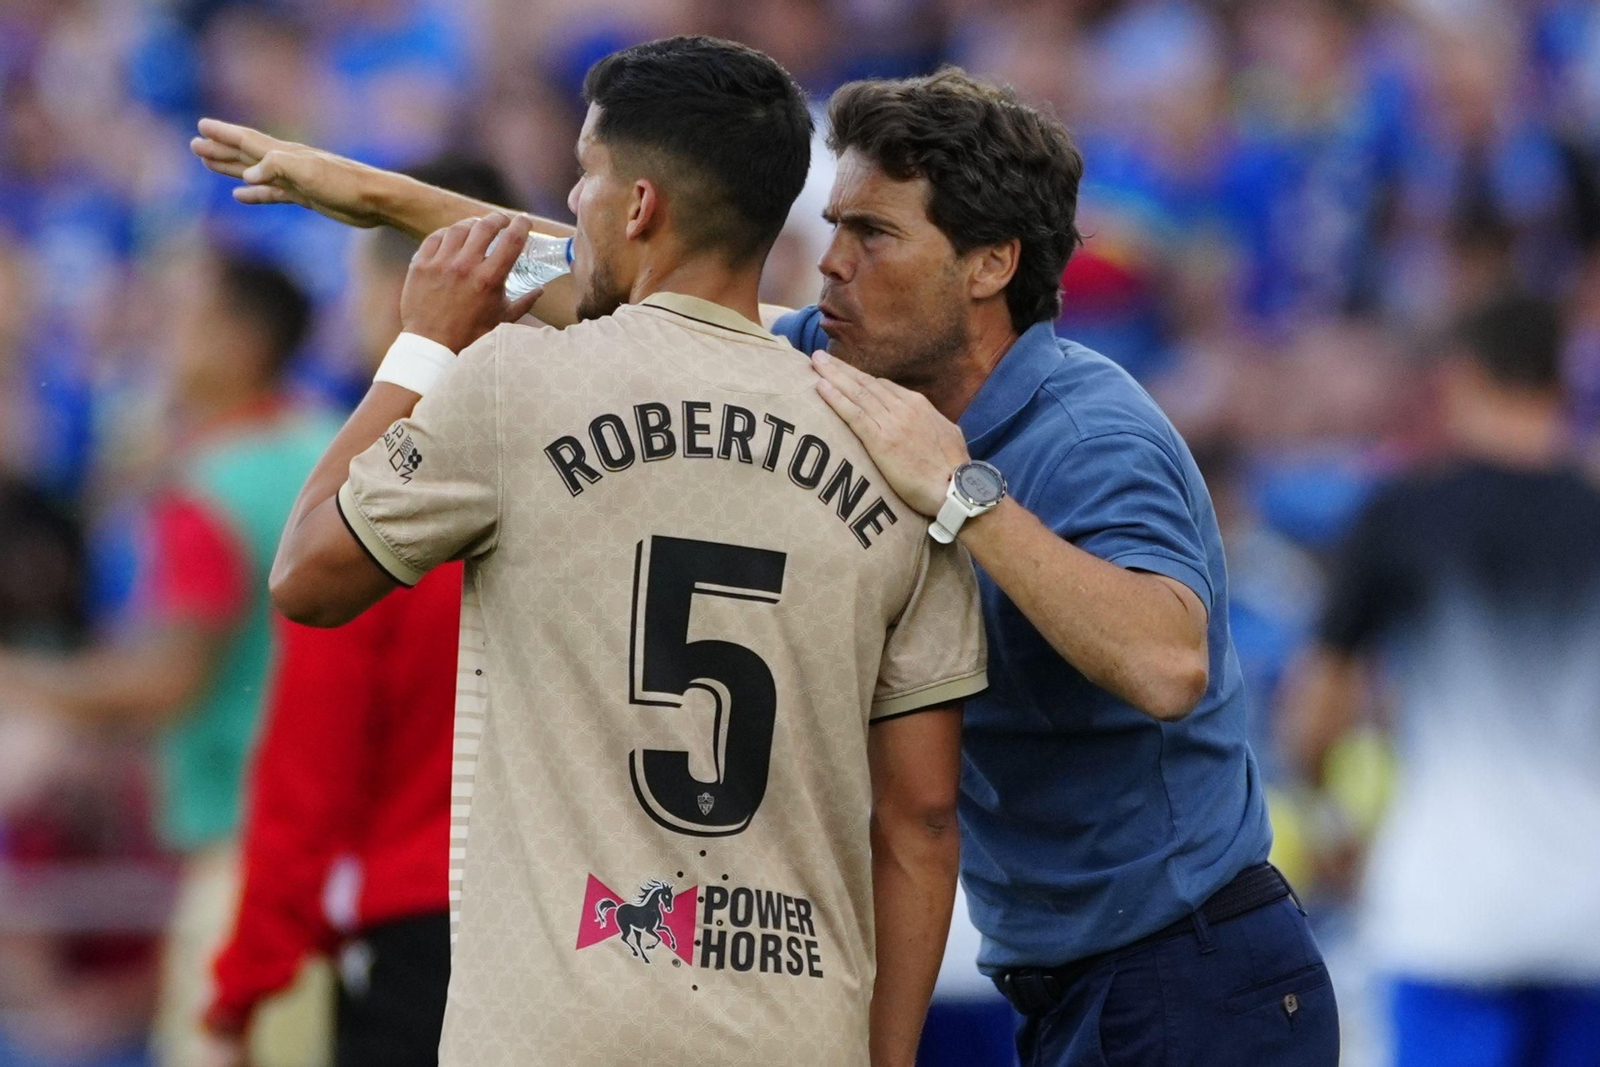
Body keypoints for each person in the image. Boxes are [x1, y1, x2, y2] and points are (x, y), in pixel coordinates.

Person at [192, 64, 1337, 1067]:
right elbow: (639, 253)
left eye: (873, 235)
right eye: (830, 226)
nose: (828, 265)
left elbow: (1165, 659)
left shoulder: (1089, 431)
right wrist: (380, 200)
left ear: (990, 264)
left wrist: (961, 494)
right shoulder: (843, 373)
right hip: (1061, 975)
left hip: (1193, 975)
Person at [260, 37, 986, 1067]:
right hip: (794, 1029)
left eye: (582, 174)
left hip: (554, 1025)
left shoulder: (518, 381)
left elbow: (308, 573)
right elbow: (920, 816)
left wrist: (420, 349)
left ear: (637, 204)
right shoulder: (895, 444)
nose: (571, 203)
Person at [199, 157, 522, 1067]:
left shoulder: (370, 510)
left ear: (409, 292)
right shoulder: (602, 469)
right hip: (591, 930)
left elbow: (308, 776)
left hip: (420, 938)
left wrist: (242, 989)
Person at [0, 251, 342, 1067]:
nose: (162, 335)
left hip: (249, 870)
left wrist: (23, 678)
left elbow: (167, 679)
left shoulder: (209, 489)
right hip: (347, 860)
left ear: (242, 340)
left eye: (185, 316)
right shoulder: (332, 446)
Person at [1285, 292, 1600, 1067]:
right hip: (1588, 914)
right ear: (1559, 385)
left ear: (1460, 380)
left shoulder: (1402, 516)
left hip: (1449, 912)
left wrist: (1335, 824)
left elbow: (1315, 717)